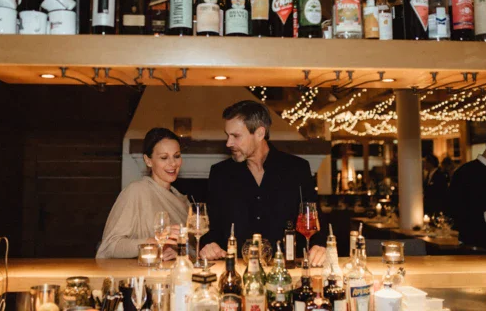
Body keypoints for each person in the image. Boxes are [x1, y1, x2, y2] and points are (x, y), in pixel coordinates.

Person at [199, 100, 327, 266]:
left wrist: (319, 246)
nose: (228, 143)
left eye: (236, 136)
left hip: (287, 271)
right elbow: (210, 227)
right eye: (228, 135)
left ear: (259, 133)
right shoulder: (220, 173)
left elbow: (314, 220)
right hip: (235, 272)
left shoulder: (297, 169)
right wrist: (208, 244)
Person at [96, 128, 190, 259]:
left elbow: (191, 250)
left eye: (177, 156)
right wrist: (152, 243)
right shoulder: (135, 192)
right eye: (164, 157)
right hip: (139, 275)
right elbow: (109, 247)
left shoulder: (182, 199)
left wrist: (178, 254)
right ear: (148, 161)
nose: (173, 163)